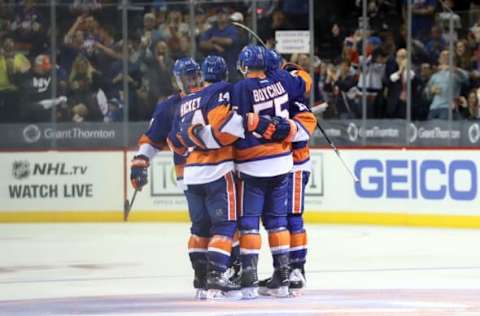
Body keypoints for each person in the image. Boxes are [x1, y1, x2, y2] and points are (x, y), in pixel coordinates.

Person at [231, 45, 304, 299]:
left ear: (244, 65)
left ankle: (249, 279)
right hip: (282, 162)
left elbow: (237, 123)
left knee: (249, 221)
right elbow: (301, 84)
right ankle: (282, 278)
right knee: (277, 222)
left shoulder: (241, 88)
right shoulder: (280, 83)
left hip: (253, 164)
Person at [166, 56, 242, 299]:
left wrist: (193, 140)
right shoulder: (219, 92)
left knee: (199, 229)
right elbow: (226, 130)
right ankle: (217, 276)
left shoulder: (182, 103)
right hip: (217, 170)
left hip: (192, 174)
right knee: (225, 227)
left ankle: (200, 279)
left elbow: (174, 143)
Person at [258, 49, 317, 296]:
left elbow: (305, 130)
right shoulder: (262, 95)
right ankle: (280, 270)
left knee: (292, 217)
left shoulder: (294, 99)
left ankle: (296, 270)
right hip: (273, 166)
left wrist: (281, 129)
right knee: (274, 219)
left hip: (294, 165)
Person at [199, 7, 241, 82]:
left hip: (229, 67)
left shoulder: (232, 29)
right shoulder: (212, 29)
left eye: (223, 13)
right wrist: (214, 46)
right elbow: (202, 44)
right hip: (213, 68)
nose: (220, 15)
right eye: (218, 13)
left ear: (228, 16)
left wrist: (214, 39)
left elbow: (229, 41)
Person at [425, 50, 469, 119]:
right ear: (439, 60)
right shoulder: (434, 76)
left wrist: (450, 68)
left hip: (448, 108)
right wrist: (431, 90)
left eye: (447, 55)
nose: (445, 57)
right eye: (443, 56)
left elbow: (466, 78)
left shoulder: (456, 73)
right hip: (433, 108)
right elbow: (427, 94)